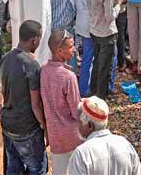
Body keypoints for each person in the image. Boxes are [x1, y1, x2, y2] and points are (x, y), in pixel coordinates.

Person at [0, 20, 47, 175]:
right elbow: (35, 105)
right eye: (39, 39)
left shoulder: (6, 58)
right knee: (37, 168)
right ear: (34, 40)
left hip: (7, 123)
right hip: (26, 127)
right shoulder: (32, 64)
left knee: (14, 167)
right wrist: (44, 126)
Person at [40, 30, 83, 175]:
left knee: (59, 171)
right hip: (73, 135)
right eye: (71, 47)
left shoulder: (44, 71)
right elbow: (76, 111)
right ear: (59, 51)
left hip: (54, 134)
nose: (74, 49)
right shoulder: (68, 77)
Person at [67, 96, 141, 175]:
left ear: (90, 125)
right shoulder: (125, 145)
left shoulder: (82, 154)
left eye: (79, 122)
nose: (77, 126)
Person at [86, 0, 127, 99]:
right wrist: (120, 3)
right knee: (105, 68)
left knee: (97, 64)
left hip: (94, 30)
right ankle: (100, 98)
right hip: (106, 33)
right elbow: (110, 17)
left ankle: (94, 92)